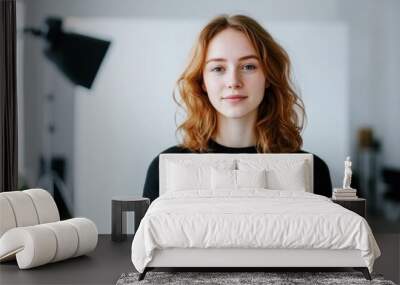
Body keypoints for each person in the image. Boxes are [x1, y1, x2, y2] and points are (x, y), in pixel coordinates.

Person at [143, 14, 332, 202]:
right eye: (218, 68)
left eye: (248, 66)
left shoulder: (313, 170)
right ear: (202, 82)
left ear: (268, 76)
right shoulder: (164, 168)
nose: (233, 81)